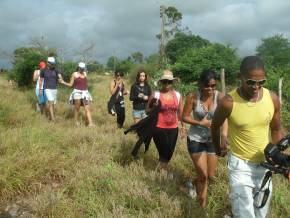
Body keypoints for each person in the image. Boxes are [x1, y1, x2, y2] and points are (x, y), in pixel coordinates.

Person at [211, 56, 283, 218]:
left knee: (260, 213)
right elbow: (215, 126)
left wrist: (277, 156)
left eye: (261, 82)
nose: (256, 87)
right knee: (245, 214)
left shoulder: (272, 99)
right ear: (240, 77)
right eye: (251, 82)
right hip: (240, 165)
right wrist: (217, 149)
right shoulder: (228, 102)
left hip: (265, 166)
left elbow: (276, 130)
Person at [182, 69, 228, 207]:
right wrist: (199, 123)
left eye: (213, 86)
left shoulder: (220, 98)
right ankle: (201, 207)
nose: (210, 89)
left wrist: (224, 136)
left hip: (212, 140)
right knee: (203, 175)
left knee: (210, 175)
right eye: (207, 86)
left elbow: (225, 119)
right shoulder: (193, 97)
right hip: (196, 139)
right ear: (201, 84)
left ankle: (192, 183)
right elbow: (184, 117)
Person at [146, 70, 185, 179]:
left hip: (173, 128)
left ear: (172, 82)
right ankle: (162, 175)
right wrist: (154, 107)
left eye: (169, 82)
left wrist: (183, 127)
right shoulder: (156, 94)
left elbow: (180, 113)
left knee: (169, 153)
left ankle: (161, 171)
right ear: (161, 82)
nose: (167, 84)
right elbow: (147, 110)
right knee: (164, 152)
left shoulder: (177, 95)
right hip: (158, 128)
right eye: (164, 82)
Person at [61, 62, 95, 127]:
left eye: (83, 68)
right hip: (77, 93)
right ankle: (76, 122)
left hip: (84, 93)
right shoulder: (74, 74)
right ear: (78, 67)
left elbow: (85, 83)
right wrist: (63, 82)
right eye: (81, 68)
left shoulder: (85, 74)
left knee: (87, 108)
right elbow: (70, 84)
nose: (82, 69)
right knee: (77, 108)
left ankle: (91, 123)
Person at [38, 57, 64, 121]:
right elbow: (41, 81)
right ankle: (53, 119)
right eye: (51, 63)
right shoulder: (43, 70)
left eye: (53, 63)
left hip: (54, 89)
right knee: (51, 102)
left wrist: (60, 79)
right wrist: (40, 89)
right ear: (48, 63)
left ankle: (50, 116)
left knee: (52, 103)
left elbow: (60, 76)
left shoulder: (56, 70)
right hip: (47, 88)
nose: (53, 65)